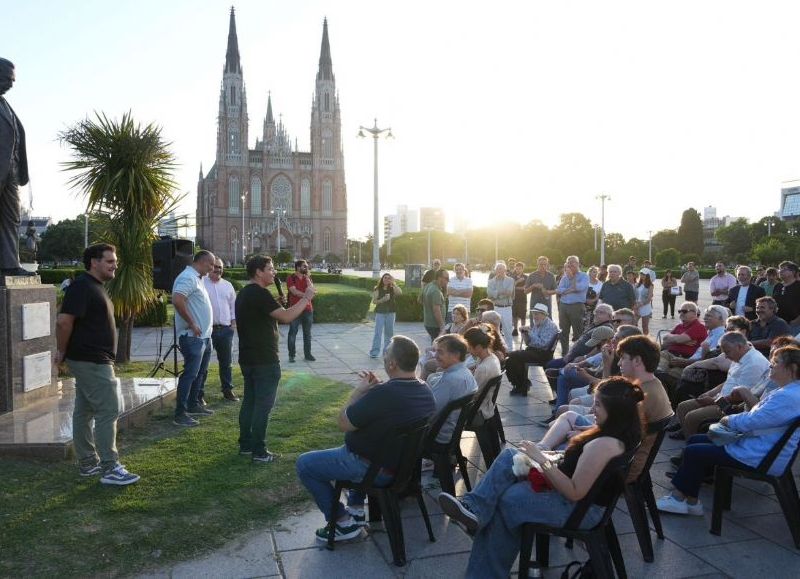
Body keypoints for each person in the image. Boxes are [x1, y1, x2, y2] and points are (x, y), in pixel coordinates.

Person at [438, 377, 645, 579]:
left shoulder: (603, 445)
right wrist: (555, 454)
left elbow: (575, 493)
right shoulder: (623, 431)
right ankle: (476, 509)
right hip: (584, 502)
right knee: (510, 457)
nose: (592, 410)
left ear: (616, 412)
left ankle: (482, 550)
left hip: (580, 511)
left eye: (597, 405)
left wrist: (541, 460)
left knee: (508, 499)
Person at [296, 336, 436, 541]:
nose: (384, 358)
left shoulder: (382, 394)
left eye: (386, 354)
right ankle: (356, 509)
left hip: (372, 470)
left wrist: (360, 391)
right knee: (365, 444)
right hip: (400, 467)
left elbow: (344, 423)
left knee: (305, 464)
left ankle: (342, 523)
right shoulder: (425, 390)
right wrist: (376, 393)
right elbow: (394, 405)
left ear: (391, 363)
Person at [657, 346, 800, 517]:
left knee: (694, 451)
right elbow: (759, 418)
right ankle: (690, 501)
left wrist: (727, 420)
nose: (771, 367)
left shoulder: (787, 396)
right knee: (696, 441)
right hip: (764, 448)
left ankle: (679, 498)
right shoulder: (788, 392)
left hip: (760, 455)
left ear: (792, 369)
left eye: (775, 363)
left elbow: (751, 421)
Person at [55, 244, 140, 485]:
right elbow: (63, 322)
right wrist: (60, 351)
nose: (115, 265)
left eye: (115, 261)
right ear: (94, 262)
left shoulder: (94, 287)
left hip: (92, 359)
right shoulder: (82, 287)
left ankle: (87, 463)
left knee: (84, 411)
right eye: (110, 261)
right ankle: (110, 467)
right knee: (108, 410)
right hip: (91, 360)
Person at [540, 336, 672, 481]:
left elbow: (618, 434)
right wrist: (591, 430)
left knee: (567, 433)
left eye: (623, 358)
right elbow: (617, 424)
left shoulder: (641, 396)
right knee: (568, 417)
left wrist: (588, 433)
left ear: (637, 361)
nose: (620, 362)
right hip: (621, 447)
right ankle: (541, 451)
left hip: (621, 462)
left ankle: (545, 464)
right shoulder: (650, 384)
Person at [237, 255, 316, 463]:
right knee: (263, 405)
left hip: (248, 357)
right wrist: (307, 297)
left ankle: (245, 444)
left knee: (250, 402)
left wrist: (277, 308)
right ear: (258, 272)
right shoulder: (260, 294)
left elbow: (266, 318)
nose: (274, 272)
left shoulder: (244, 293)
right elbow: (288, 317)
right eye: (270, 269)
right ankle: (259, 451)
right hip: (264, 359)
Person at [673, 332, 771, 439]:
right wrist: (710, 393)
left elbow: (738, 397)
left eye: (727, 352)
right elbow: (729, 380)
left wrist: (712, 400)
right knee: (683, 406)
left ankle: (691, 444)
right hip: (721, 398)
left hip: (731, 407)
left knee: (692, 417)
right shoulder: (740, 356)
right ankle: (689, 436)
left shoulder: (754, 364)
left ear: (739, 347)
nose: (727, 357)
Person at [172, 250, 216, 427]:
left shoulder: (198, 278)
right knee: (190, 374)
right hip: (193, 337)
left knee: (200, 373)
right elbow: (177, 299)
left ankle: (193, 404)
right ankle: (180, 414)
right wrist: (191, 323)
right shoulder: (188, 277)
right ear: (203, 262)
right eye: (211, 264)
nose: (213, 268)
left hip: (204, 337)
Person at [0, 58, 34, 277]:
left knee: (12, 219)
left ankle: (10, 265)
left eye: (13, 80)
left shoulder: (5, 105)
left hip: (11, 172)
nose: (11, 84)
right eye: (7, 79)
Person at [427, 334, 478, 443]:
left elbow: (429, 412)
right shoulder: (466, 372)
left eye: (440, 352)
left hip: (438, 436)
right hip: (453, 431)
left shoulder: (449, 381)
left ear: (456, 355)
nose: (435, 355)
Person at [203, 257, 239, 402]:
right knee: (203, 364)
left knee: (226, 363)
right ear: (210, 267)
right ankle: (199, 394)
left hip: (225, 330)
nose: (218, 270)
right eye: (215, 266)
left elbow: (233, 306)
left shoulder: (228, 285)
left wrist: (233, 324)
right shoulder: (201, 283)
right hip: (207, 330)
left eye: (220, 267)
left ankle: (227, 390)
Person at [506, 303, 560, 396]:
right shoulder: (538, 323)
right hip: (534, 351)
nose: (534, 316)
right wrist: (525, 334)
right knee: (510, 360)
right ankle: (520, 384)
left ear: (544, 315)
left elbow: (543, 344)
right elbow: (529, 343)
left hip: (543, 354)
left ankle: (522, 384)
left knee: (512, 355)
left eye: (537, 314)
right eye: (534, 314)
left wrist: (530, 332)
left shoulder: (550, 326)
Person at [464, 326, 503, 421]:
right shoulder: (491, 357)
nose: (467, 350)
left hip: (478, 410)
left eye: (469, 346)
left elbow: (471, 395)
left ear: (478, 347)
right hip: (485, 403)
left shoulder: (483, 368)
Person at [657, 301, 708, 371]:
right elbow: (665, 339)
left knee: (672, 373)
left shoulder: (699, 327)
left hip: (685, 359)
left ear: (694, 313)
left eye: (684, 311)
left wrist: (676, 340)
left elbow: (678, 339)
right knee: (659, 363)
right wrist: (682, 341)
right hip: (669, 354)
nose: (681, 313)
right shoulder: (679, 326)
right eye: (679, 311)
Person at [555, 255, 590, 357]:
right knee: (563, 330)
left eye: (573, 262)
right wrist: (568, 290)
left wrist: (572, 277)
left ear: (578, 264)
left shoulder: (584, 276)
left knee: (578, 331)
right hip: (563, 306)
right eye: (569, 262)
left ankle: (577, 354)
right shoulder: (564, 277)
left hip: (577, 306)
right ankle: (565, 352)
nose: (570, 264)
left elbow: (578, 288)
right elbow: (559, 290)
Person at [286, 259, 315, 362]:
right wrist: (307, 296)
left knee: (307, 333)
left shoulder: (308, 278)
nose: (306, 268)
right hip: (295, 309)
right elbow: (294, 291)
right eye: (304, 266)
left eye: (307, 266)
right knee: (292, 332)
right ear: (298, 267)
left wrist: (308, 280)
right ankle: (291, 355)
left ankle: (308, 354)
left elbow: (313, 291)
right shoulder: (291, 278)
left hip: (307, 309)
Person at [370, 272, 401, 358]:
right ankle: (374, 352)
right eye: (385, 278)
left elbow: (399, 293)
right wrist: (382, 300)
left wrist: (394, 283)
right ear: (382, 279)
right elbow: (374, 301)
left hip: (391, 313)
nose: (387, 279)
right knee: (378, 333)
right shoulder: (377, 289)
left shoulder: (392, 288)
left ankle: (386, 352)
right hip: (380, 313)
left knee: (389, 333)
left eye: (388, 278)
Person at [487, 261, 515, 351]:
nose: (500, 271)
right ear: (495, 270)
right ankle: (496, 350)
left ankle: (509, 350)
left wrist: (495, 294)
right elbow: (489, 294)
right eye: (498, 269)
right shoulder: (490, 281)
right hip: (495, 308)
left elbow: (509, 292)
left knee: (508, 330)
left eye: (502, 269)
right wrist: (501, 292)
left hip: (506, 308)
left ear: (505, 270)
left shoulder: (510, 280)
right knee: (494, 330)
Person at [422, 268, 449, 342]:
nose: (448, 281)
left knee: (434, 343)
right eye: (446, 278)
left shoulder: (428, 285)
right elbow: (436, 310)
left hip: (428, 323)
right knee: (438, 345)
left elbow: (420, 300)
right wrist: (442, 326)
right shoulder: (435, 291)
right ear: (439, 278)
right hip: (435, 325)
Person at [774, 261, 800, 333]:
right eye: (779, 269)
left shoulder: (798, 286)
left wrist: (796, 321)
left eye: (784, 269)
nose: (780, 271)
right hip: (777, 323)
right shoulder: (778, 286)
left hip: (794, 325)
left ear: (793, 272)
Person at [633, 271, 654, 335]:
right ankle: (634, 339)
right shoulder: (637, 284)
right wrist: (635, 306)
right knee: (633, 324)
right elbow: (633, 296)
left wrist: (640, 304)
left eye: (644, 275)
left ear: (647, 276)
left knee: (644, 326)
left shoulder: (650, 285)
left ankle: (646, 340)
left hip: (645, 307)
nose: (642, 276)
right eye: (641, 274)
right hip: (636, 306)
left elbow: (649, 298)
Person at [511, 261, 528, 336]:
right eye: (517, 268)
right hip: (514, 299)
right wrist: (517, 281)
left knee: (523, 315)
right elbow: (510, 287)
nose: (518, 270)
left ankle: (523, 329)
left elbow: (525, 288)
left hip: (523, 299)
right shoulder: (512, 277)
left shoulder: (526, 277)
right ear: (515, 268)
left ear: (522, 269)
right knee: (514, 315)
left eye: (520, 268)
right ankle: (515, 329)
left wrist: (515, 287)